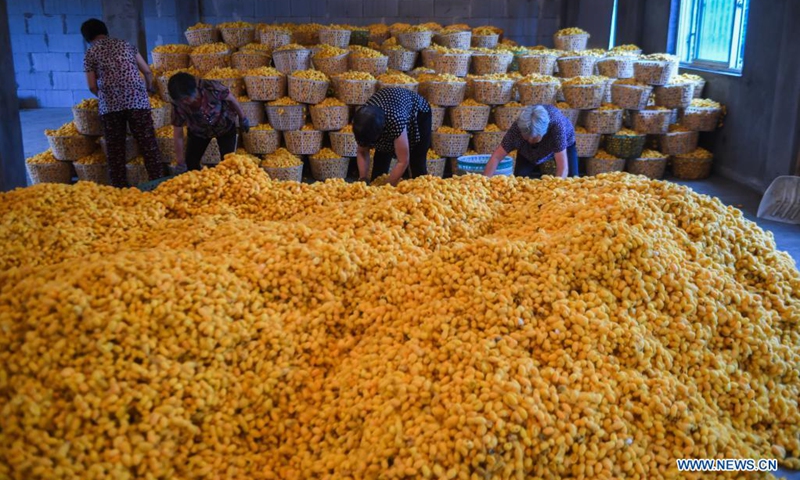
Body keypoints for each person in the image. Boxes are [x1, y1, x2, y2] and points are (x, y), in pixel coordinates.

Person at [82, 18, 164, 187]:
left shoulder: (90, 53)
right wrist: (147, 88)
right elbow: (147, 71)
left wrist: (103, 95)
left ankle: (119, 190)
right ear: (105, 31)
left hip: (111, 106)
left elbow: (91, 85)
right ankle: (158, 184)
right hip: (137, 101)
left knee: (115, 151)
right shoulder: (126, 45)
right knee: (148, 146)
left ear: (87, 37)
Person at [167, 72, 250, 171]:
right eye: (181, 100)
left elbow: (232, 100)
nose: (184, 102)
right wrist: (180, 161)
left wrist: (243, 118)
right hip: (198, 131)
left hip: (224, 125)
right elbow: (178, 135)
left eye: (186, 98)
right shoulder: (178, 105)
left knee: (228, 161)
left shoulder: (211, 88)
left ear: (194, 90)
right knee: (191, 162)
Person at [353, 88, 432, 186]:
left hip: (419, 112)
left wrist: (387, 187)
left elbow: (403, 161)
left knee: (417, 160)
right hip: (390, 109)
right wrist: (363, 178)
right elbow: (362, 151)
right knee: (380, 162)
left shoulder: (395, 121)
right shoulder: (362, 122)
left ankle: (421, 189)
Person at [483, 104, 578, 178]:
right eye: (527, 137)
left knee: (572, 178)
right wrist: (484, 182)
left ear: (543, 132)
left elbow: (563, 168)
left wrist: (556, 194)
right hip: (526, 149)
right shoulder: (517, 129)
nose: (531, 141)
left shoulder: (557, 127)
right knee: (520, 178)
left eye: (534, 138)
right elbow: (496, 157)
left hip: (564, 142)